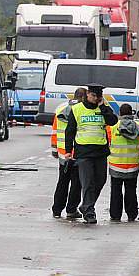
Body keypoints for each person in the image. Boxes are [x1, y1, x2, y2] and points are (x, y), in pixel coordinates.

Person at [63, 83, 117, 224]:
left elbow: (113, 121)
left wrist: (103, 106)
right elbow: (70, 131)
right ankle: (89, 212)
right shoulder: (77, 109)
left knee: (100, 181)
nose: (95, 98)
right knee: (87, 183)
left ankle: (86, 205)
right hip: (83, 152)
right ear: (87, 94)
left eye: (98, 96)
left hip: (100, 151)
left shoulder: (103, 109)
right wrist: (68, 151)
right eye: (93, 95)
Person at [51, 87, 86, 219]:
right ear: (83, 98)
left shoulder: (60, 109)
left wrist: (55, 150)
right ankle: (71, 209)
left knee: (62, 181)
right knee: (76, 183)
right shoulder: (82, 111)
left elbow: (54, 131)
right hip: (77, 153)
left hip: (63, 154)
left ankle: (57, 209)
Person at [106, 104, 139, 222]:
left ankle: (115, 214)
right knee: (131, 190)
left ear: (120, 114)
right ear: (131, 113)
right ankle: (132, 214)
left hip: (116, 165)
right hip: (132, 165)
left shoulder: (113, 127)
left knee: (116, 191)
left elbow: (107, 144)